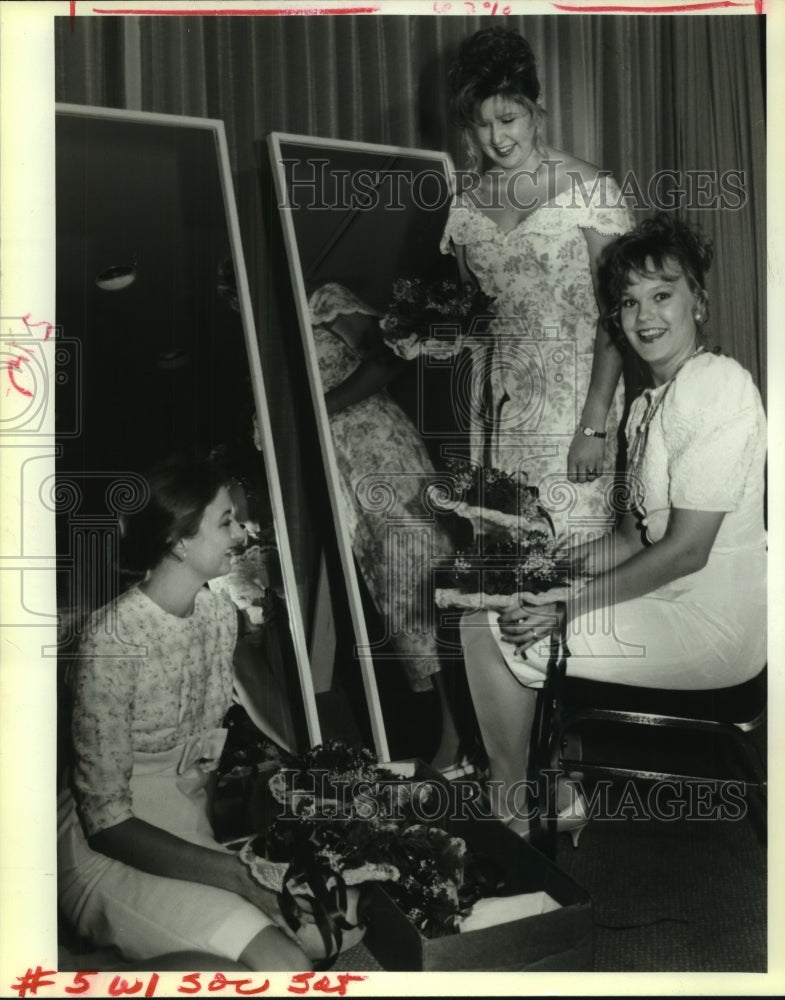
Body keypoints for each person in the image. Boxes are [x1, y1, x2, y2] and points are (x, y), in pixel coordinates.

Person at [460, 214, 767, 839]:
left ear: (698, 303)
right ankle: (540, 798)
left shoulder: (718, 387)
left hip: (714, 628)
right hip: (665, 601)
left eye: (663, 295)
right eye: (629, 301)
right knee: (489, 607)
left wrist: (565, 604)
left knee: (490, 631)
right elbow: (631, 538)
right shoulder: (647, 405)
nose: (644, 315)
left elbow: (685, 552)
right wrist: (545, 570)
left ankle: (511, 817)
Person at [57, 452, 320, 970]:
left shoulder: (220, 616)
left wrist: (226, 857)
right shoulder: (111, 641)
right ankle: (90, 968)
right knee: (285, 966)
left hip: (182, 832)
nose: (241, 531)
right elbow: (107, 824)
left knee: (322, 935)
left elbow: (208, 757)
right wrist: (238, 878)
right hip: (107, 850)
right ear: (178, 540)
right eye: (225, 520)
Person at [441, 26, 633, 538]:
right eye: (481, 126)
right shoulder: (464, 207)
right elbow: (473, 315)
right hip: (498, 412)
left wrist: (592, 426)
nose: (497, 139)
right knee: (506, 561)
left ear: (536, 107)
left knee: (568, 551)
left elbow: (620, 311)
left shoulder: (591, 189)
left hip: (575, 405)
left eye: (509, 118)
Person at [309, 282, 461, 769]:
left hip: (381, 451)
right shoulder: (267, 345)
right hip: (345, 474)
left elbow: (389, 360)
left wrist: (324, 407)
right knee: (401, 601)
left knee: (428, 581)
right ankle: (455, 729)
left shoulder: (324, 300)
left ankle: (464, 735)